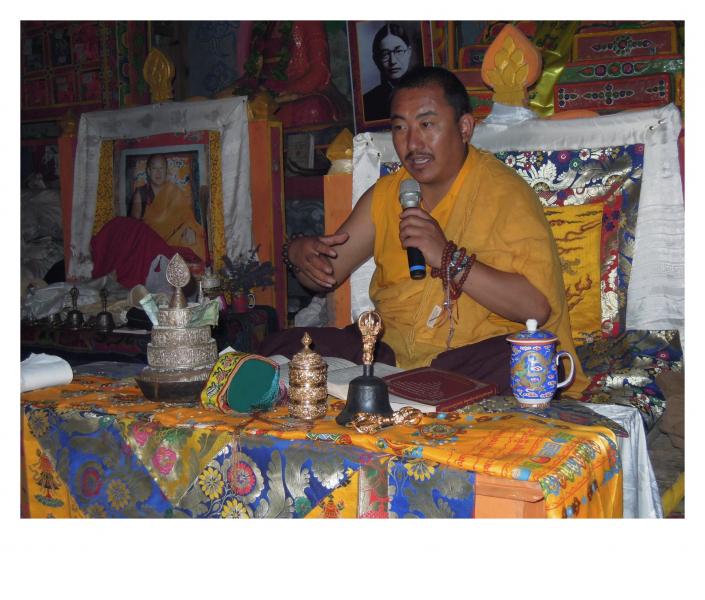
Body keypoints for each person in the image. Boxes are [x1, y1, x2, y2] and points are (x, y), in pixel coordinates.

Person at [263, 66, 588, 398]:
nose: (412, 143)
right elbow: (325, 273)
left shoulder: (505, 194)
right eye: (400, 127)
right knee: (281, 347)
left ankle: (408, 392)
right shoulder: (387, 195)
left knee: (523, 365)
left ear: (464, 127)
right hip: (388, 353)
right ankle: (406, 389)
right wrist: (297, 253)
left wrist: (447, 257)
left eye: (427, 125)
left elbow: (536, 309)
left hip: (469, 355)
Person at [130, 154, 207, 262]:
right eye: (154, 168)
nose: (158, 172)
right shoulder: (141, 194)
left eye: (161, 168)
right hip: (151, 242)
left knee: (197, 241)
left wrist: (189, 229)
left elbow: (186, 217)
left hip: (174, 239)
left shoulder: (174, 191)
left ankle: (195, 270)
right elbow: (134, 226)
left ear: (166, 171)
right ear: (148, 171)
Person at [362, 23, 413, 123]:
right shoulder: (366, 102)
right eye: (385, 54)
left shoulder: (425, 91)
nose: (392, 61)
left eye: (399, 51)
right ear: (376, 60)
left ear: (409, 52)